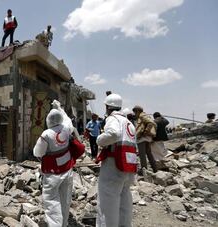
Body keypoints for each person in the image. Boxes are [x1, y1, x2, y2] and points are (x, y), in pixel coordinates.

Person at [33, 100, 85, 227]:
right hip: (67, 170)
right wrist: (59, 108)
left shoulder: (46, 134)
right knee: (65, 200)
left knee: (51, 202)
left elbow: (37, 153)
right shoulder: (66, 128)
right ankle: (64, 223)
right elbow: (67, 119)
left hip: (52, 174)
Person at [95, 93, 138, 227]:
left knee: (108, 202)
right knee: (124, 200)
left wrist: (99, 140)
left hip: (114, 165)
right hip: (128, 166)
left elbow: (113, 134)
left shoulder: (113, 119)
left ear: (108, 107)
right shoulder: (128, 123)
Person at [133, 105, 157, 173]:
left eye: (135, 112)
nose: (135, 114)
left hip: (142, 139)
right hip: (147, 138)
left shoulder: (142, 116)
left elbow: (151, 123)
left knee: (142, 154)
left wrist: (145, 131)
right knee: (149, 154)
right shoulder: (145, 115)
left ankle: (144, 169)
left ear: (137, 111)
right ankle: (155, 168)